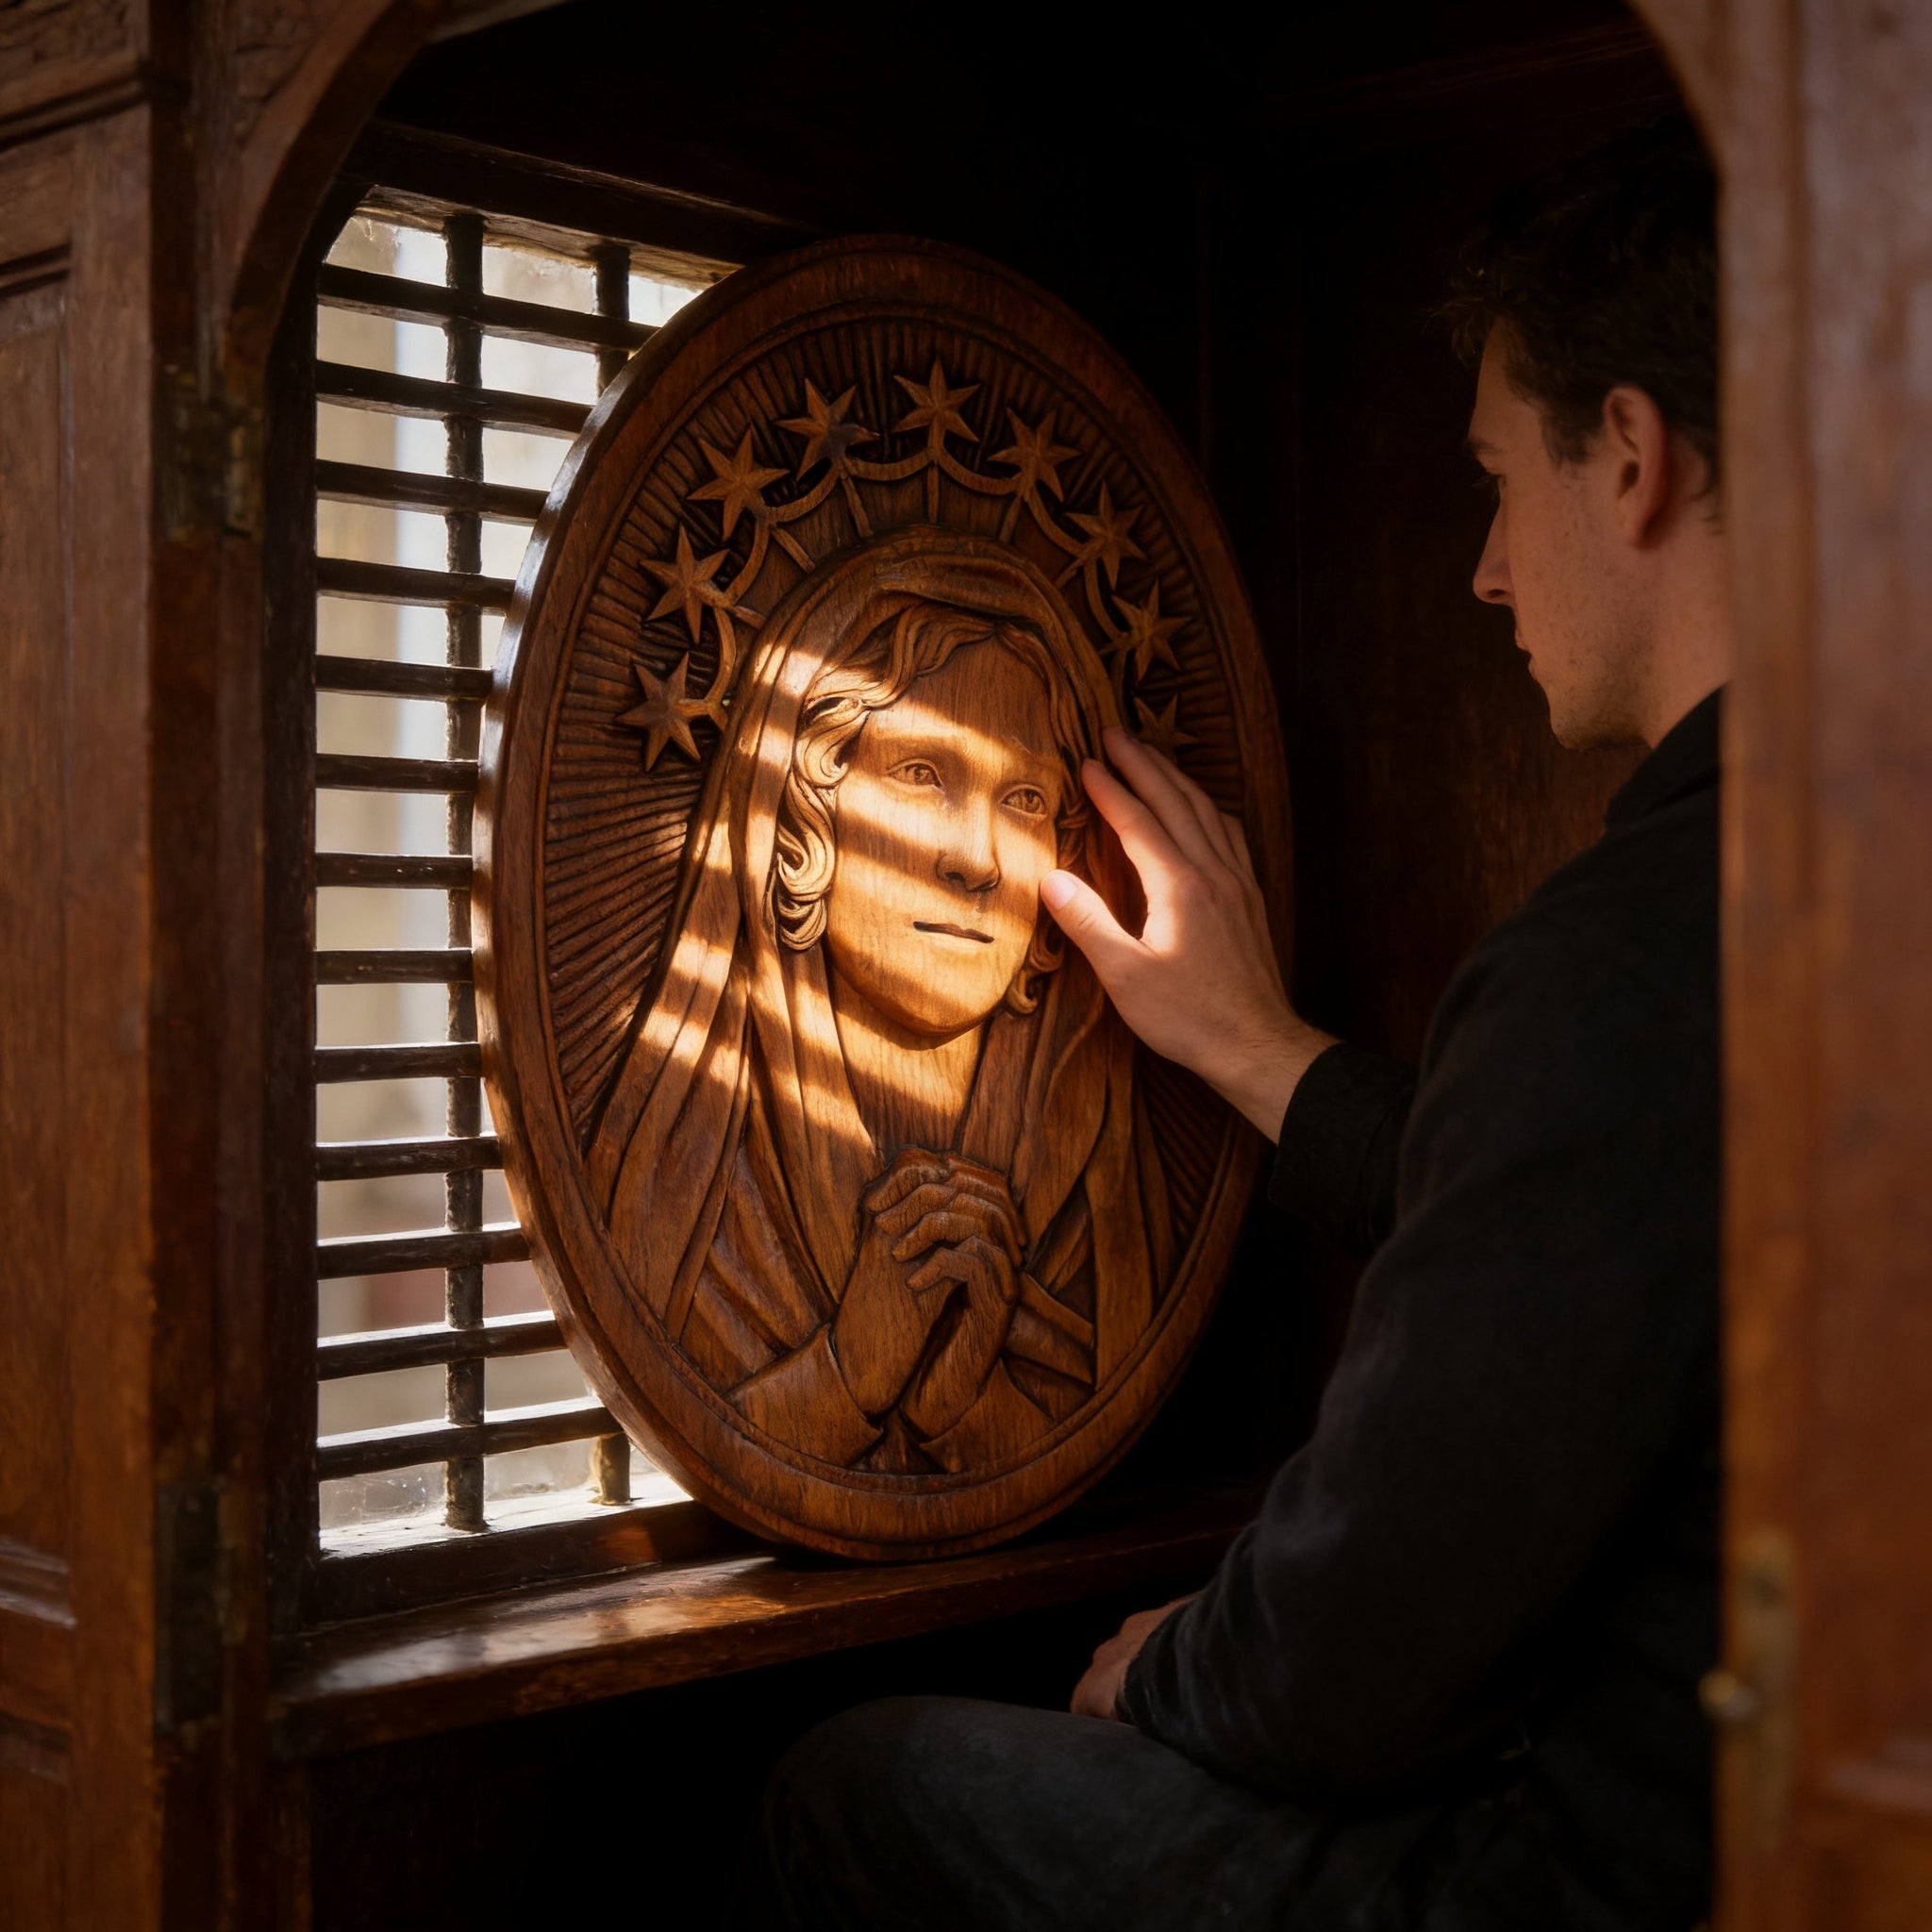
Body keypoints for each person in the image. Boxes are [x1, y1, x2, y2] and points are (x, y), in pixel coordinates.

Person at [757, 112, 1727, 1932]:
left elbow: (1355, 1652)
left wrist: (1166, 1667)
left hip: (1600, 1879)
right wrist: (1250, 1045)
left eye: (1494, 482)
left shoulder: (1626, 959)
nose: (1485, 571)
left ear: (1628, 459)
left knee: (853, 1782)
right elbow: (1594, 1222)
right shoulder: (1819, 874)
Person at [588, 537, 1170, 1472]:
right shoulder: (688, 1198)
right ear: (800, 820)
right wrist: (845, 1369)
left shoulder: (1100, 1207)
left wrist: (960, 1405)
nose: (974, 859)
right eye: (919, 775)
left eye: (1023, 797)